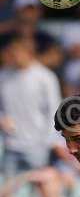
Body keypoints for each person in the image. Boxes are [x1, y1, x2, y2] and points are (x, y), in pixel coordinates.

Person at [0, 35, 62, 178]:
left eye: (17, 52)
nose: (14, 56)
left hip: (37, 147)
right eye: (12, 52)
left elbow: (55, 112)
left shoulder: (46, 77)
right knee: (9, 193)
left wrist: (46, 143)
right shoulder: (3, 76)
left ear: (29, 52)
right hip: (11, 145)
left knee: (37, 193)